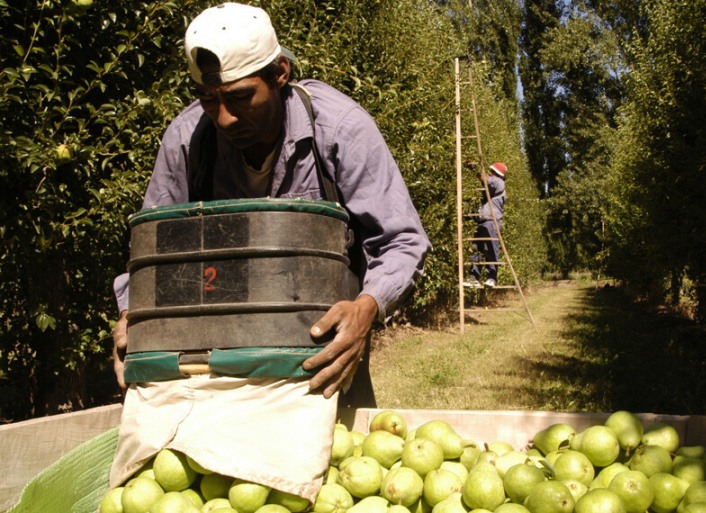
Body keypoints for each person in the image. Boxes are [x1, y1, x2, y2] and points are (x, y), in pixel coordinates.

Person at [108, 2, 430, 499]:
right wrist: (136, 314)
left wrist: (367, 308)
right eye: (208, 99)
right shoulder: (188, 139)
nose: (224, 116)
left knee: (332, 480)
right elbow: (155, 253)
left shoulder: (339, 129)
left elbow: (401, 239)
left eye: (239, 97)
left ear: (279, 72)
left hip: (318, 354)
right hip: (215, 356)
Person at [465, 161, 507, 288]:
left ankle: (492, 277)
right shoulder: (492, 187)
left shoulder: (498, 182)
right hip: (483, 221)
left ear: (495, 173)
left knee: (491, 249)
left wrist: (474, 167)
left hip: (491, 221)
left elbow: (484, 178)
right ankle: (474, 277)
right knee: (476, 249)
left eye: (491, 171)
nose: (489, 172)